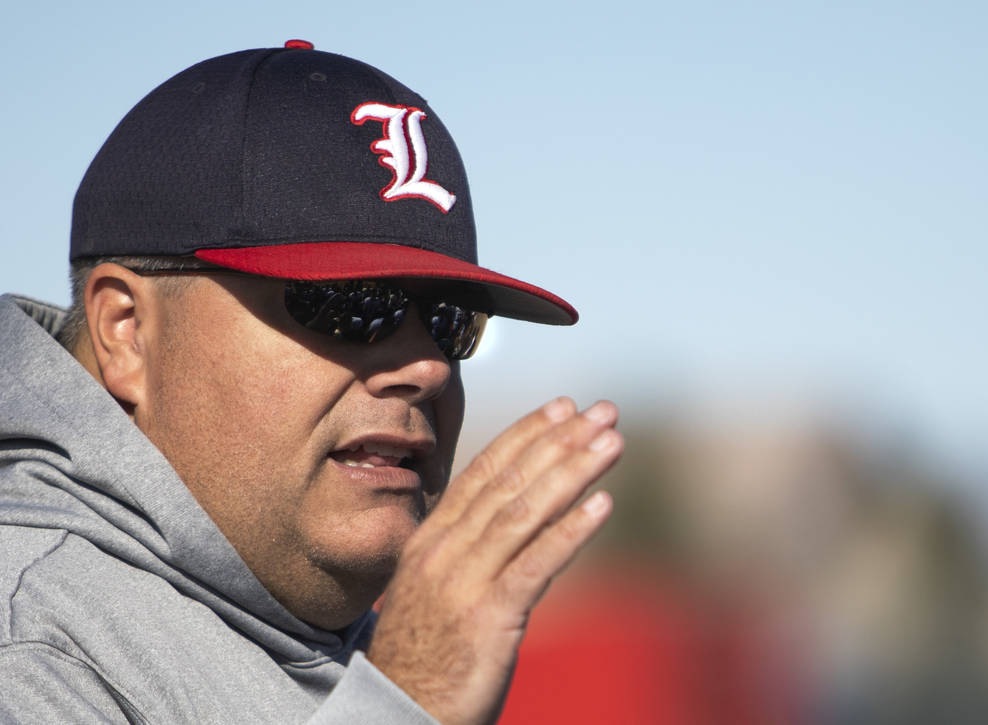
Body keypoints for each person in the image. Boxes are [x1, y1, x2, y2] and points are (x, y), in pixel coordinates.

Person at [0, 40, 622, 723]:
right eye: (348, 302)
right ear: (127, 331)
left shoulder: (315, 632)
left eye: (450, 320)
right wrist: (406, 701)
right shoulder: (30, 650)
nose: (430, 366)